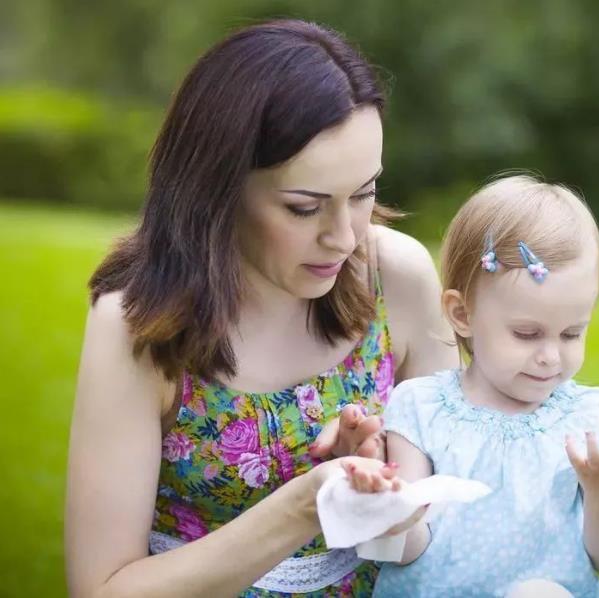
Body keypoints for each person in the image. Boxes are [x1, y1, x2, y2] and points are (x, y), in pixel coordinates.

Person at [64, 19, 457, 597]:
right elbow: (101, 590)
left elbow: (461, 499)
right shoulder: (138, 324)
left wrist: (387, 489)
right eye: (304, 207)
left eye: (365, 193)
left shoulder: (394, 276)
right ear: (216, 189)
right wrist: (305, 506)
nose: (346, 238)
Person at [344, 175, 599, 597]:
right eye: (528, 334)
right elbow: (401, 550)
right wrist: (387, 508)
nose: (551, 355)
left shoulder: (589, 423)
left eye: (571, 334)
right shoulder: (422, 410)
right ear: (461, 314)